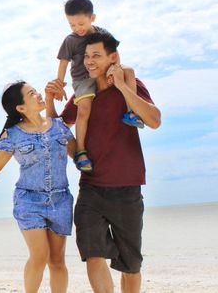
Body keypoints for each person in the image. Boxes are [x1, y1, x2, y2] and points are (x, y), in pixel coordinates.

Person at [47, 32, 161, 293]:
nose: (89, 61)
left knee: (130, 265)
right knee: (92, 253)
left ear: (113, 57)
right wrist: (51, 102)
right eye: (86, 56)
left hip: (127, 189)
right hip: (91, 188)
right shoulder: (83, 96)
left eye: (96, 55)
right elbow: (57, 132)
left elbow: (154, 121)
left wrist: (122, 86)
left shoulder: (132, 84)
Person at [0, 81, 76, 293]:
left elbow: (80, 155)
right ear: (20, 108)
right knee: (39, 256)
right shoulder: (13, 135)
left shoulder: (59, 127)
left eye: (36, 91)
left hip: (60, 200)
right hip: (29, 201)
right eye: (31, 93)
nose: (38, 95)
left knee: (57, 261)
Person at [54, 0, 143, 173]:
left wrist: (115, 70)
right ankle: (80, 151)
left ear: (92, 18)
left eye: (80, 24)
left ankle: (131, 113)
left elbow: (114, 54)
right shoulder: (70, 40)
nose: (77, 28)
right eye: (72, 25)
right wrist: (59, 83)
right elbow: (63, 62)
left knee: (128, 72)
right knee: (84, 109)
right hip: (83, 79)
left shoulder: (102, 34)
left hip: (104, 71)